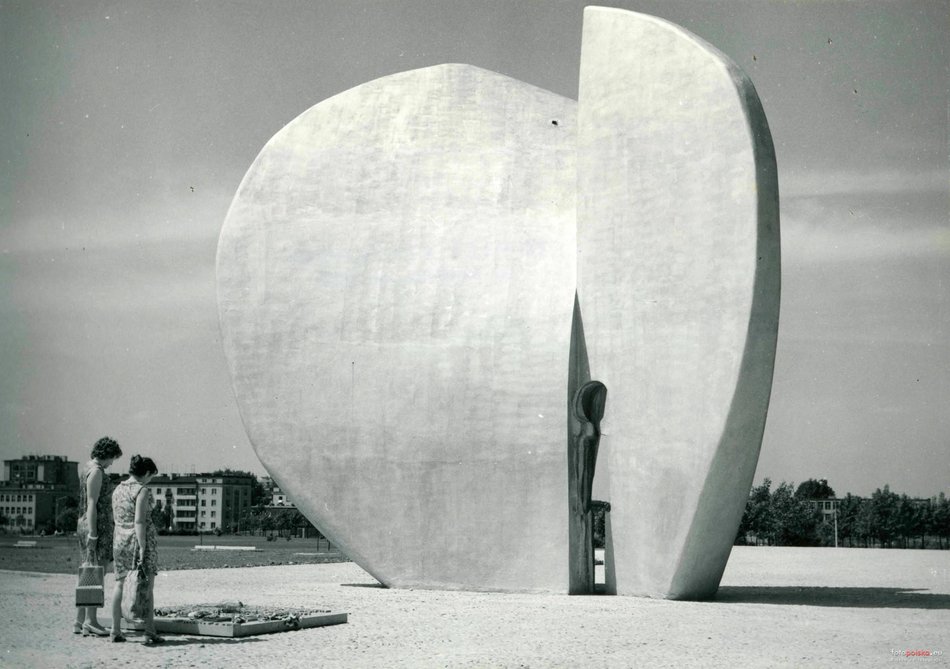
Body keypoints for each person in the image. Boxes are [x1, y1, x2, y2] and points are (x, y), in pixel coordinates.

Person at [110, 455, 163, 644]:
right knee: (147, 585)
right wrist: (142, 546)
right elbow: (139, 520)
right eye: (151, 476)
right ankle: (149, 630)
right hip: (138, 539)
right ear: (146, 473)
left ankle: (115, 630)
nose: (150, 480)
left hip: (119, 539)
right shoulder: (142, 490)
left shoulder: (118, 489)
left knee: (119, 583)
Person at [74, 436, 122, 636]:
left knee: (88, 572)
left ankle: (80, 620)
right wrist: (94, 533)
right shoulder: (96, 472)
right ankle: (91, 620)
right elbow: (92, 503)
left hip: (86, 523)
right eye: (112, 458)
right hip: (96, 526)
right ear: (106, 455)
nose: (112, 463)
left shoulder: (87, 468)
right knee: (96, 573)